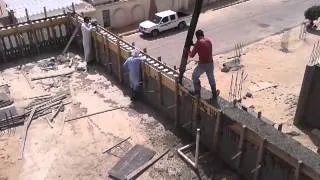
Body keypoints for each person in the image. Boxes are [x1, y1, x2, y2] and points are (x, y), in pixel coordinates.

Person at [189, 29, 219, 100]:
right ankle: (214, 94)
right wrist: (194, 45)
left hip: (202, 65)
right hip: (210, 63)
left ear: (196, 37)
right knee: (211, 78)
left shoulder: (198, 43)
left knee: (194, 76)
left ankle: (197, 93)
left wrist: (188, 50)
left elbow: (191, 55)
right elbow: (203, 47)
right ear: (203, 34)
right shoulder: (208, 40)